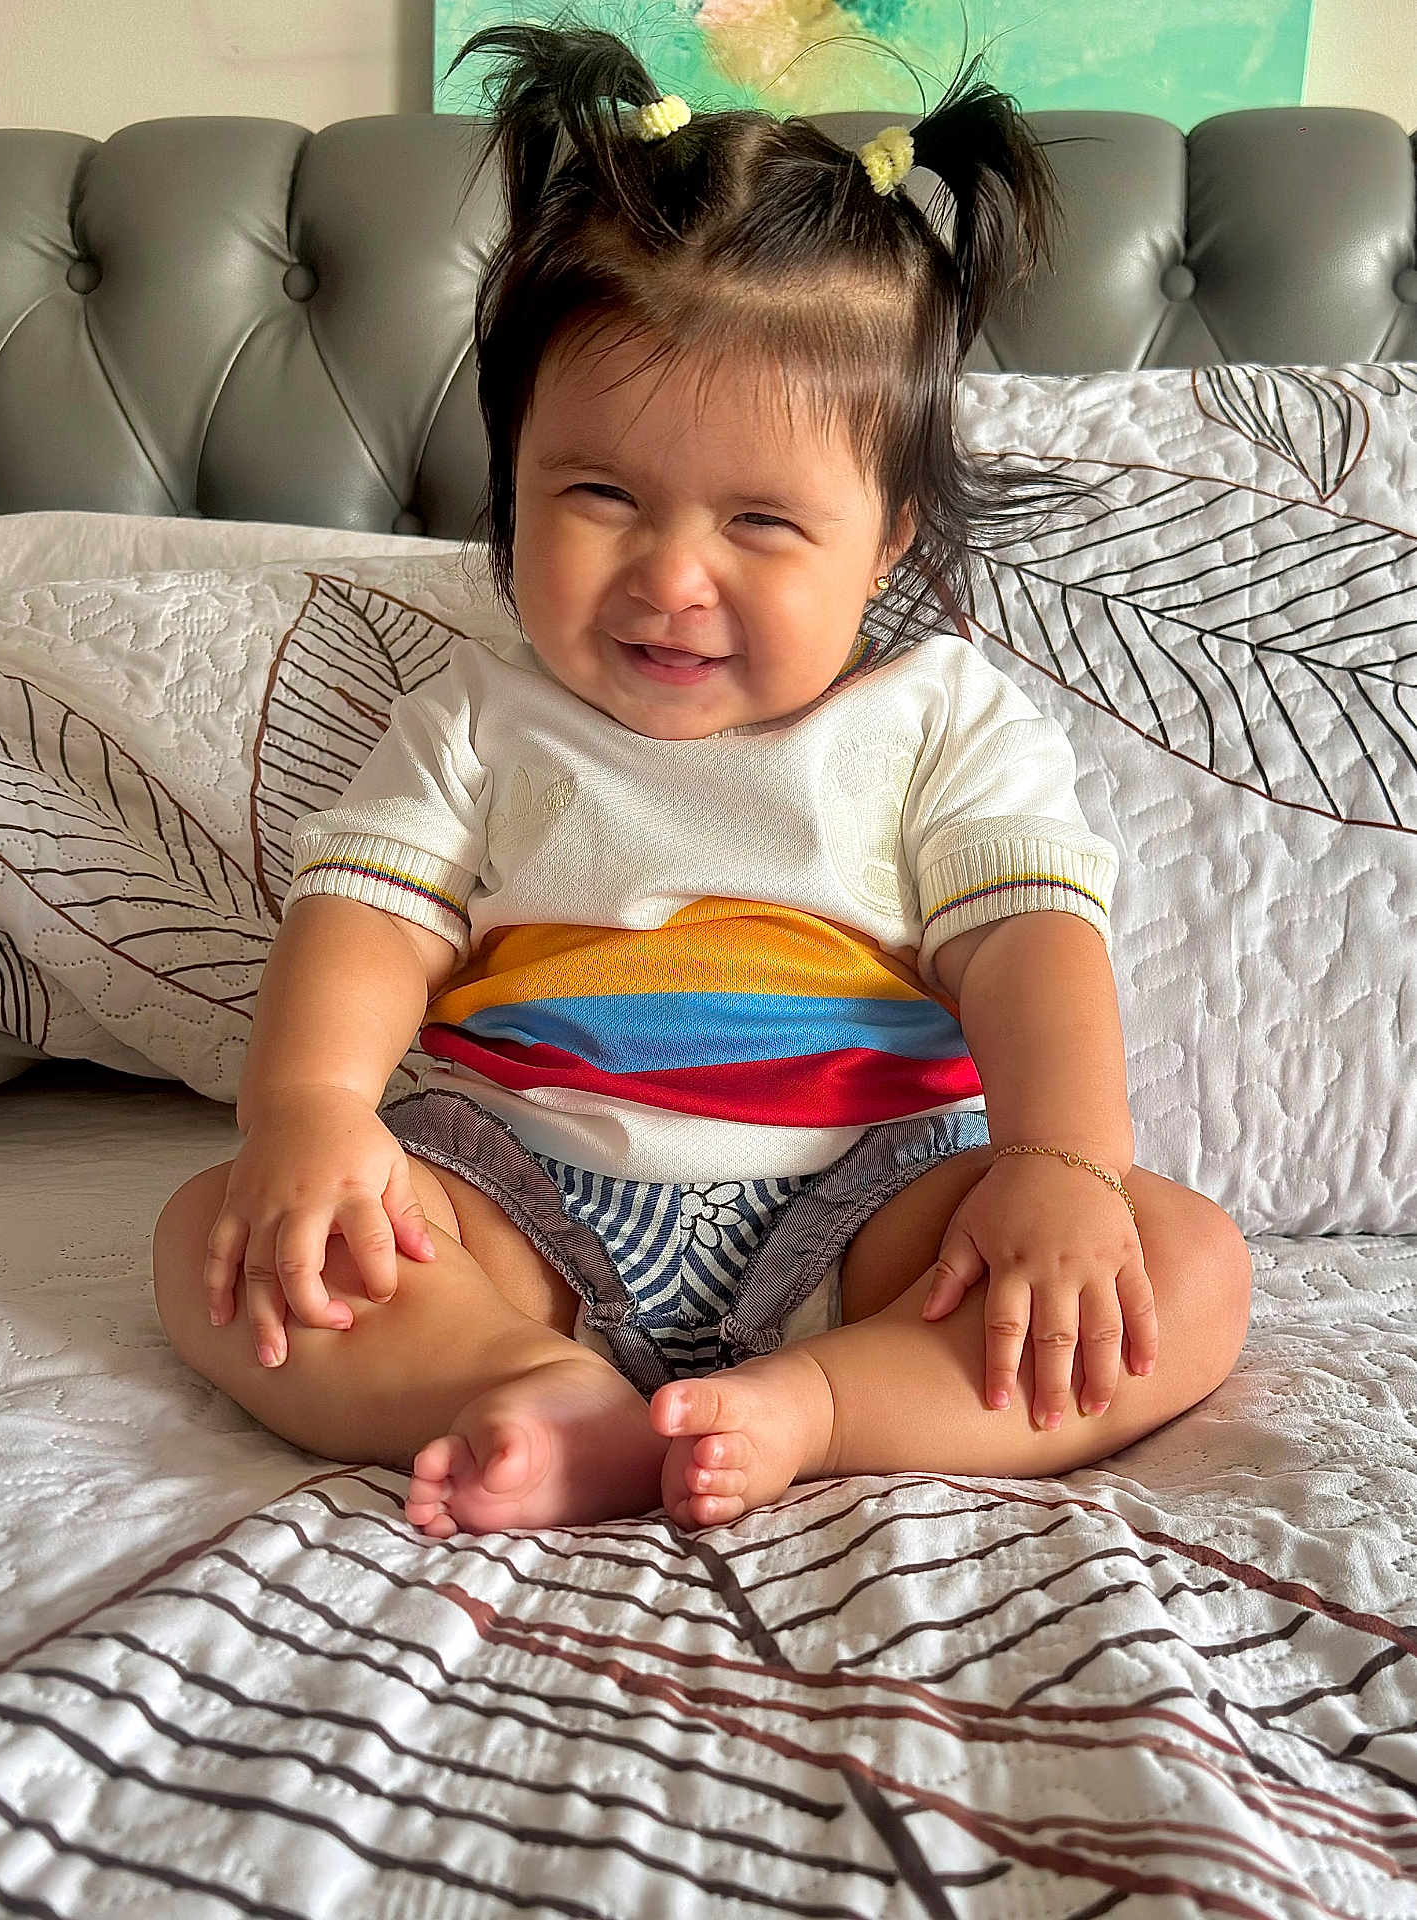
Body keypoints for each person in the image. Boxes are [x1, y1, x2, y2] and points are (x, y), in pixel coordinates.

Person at [152, 16, 1251, 1537]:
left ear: (886, 544)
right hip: (518, 1191)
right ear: (511, 479)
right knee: (219, 1237)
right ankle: (521, 1385)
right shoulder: (478, 712)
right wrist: (309, 1112)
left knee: (1181, 1267)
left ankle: (820, 1406)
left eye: (759, 523)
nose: (670, 577)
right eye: (598, 494)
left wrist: (1062, 1164)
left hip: (871, 1211)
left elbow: (1025, 944)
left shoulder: (939, 719)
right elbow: (368, 916)